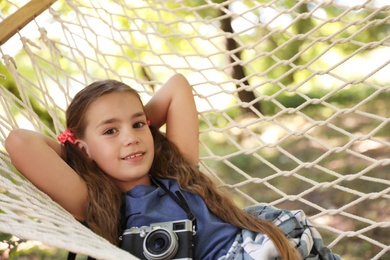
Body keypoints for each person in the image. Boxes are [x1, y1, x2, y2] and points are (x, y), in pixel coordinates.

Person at [5, 74, 339, 259]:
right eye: (111, 131)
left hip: (278, 239)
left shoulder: (177, 169)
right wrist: (80, 154)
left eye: (139, 125)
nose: (131, 139)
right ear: (82, 148)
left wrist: (123, 125)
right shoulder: (93, 202)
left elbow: (177, 85)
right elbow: (20, 141)